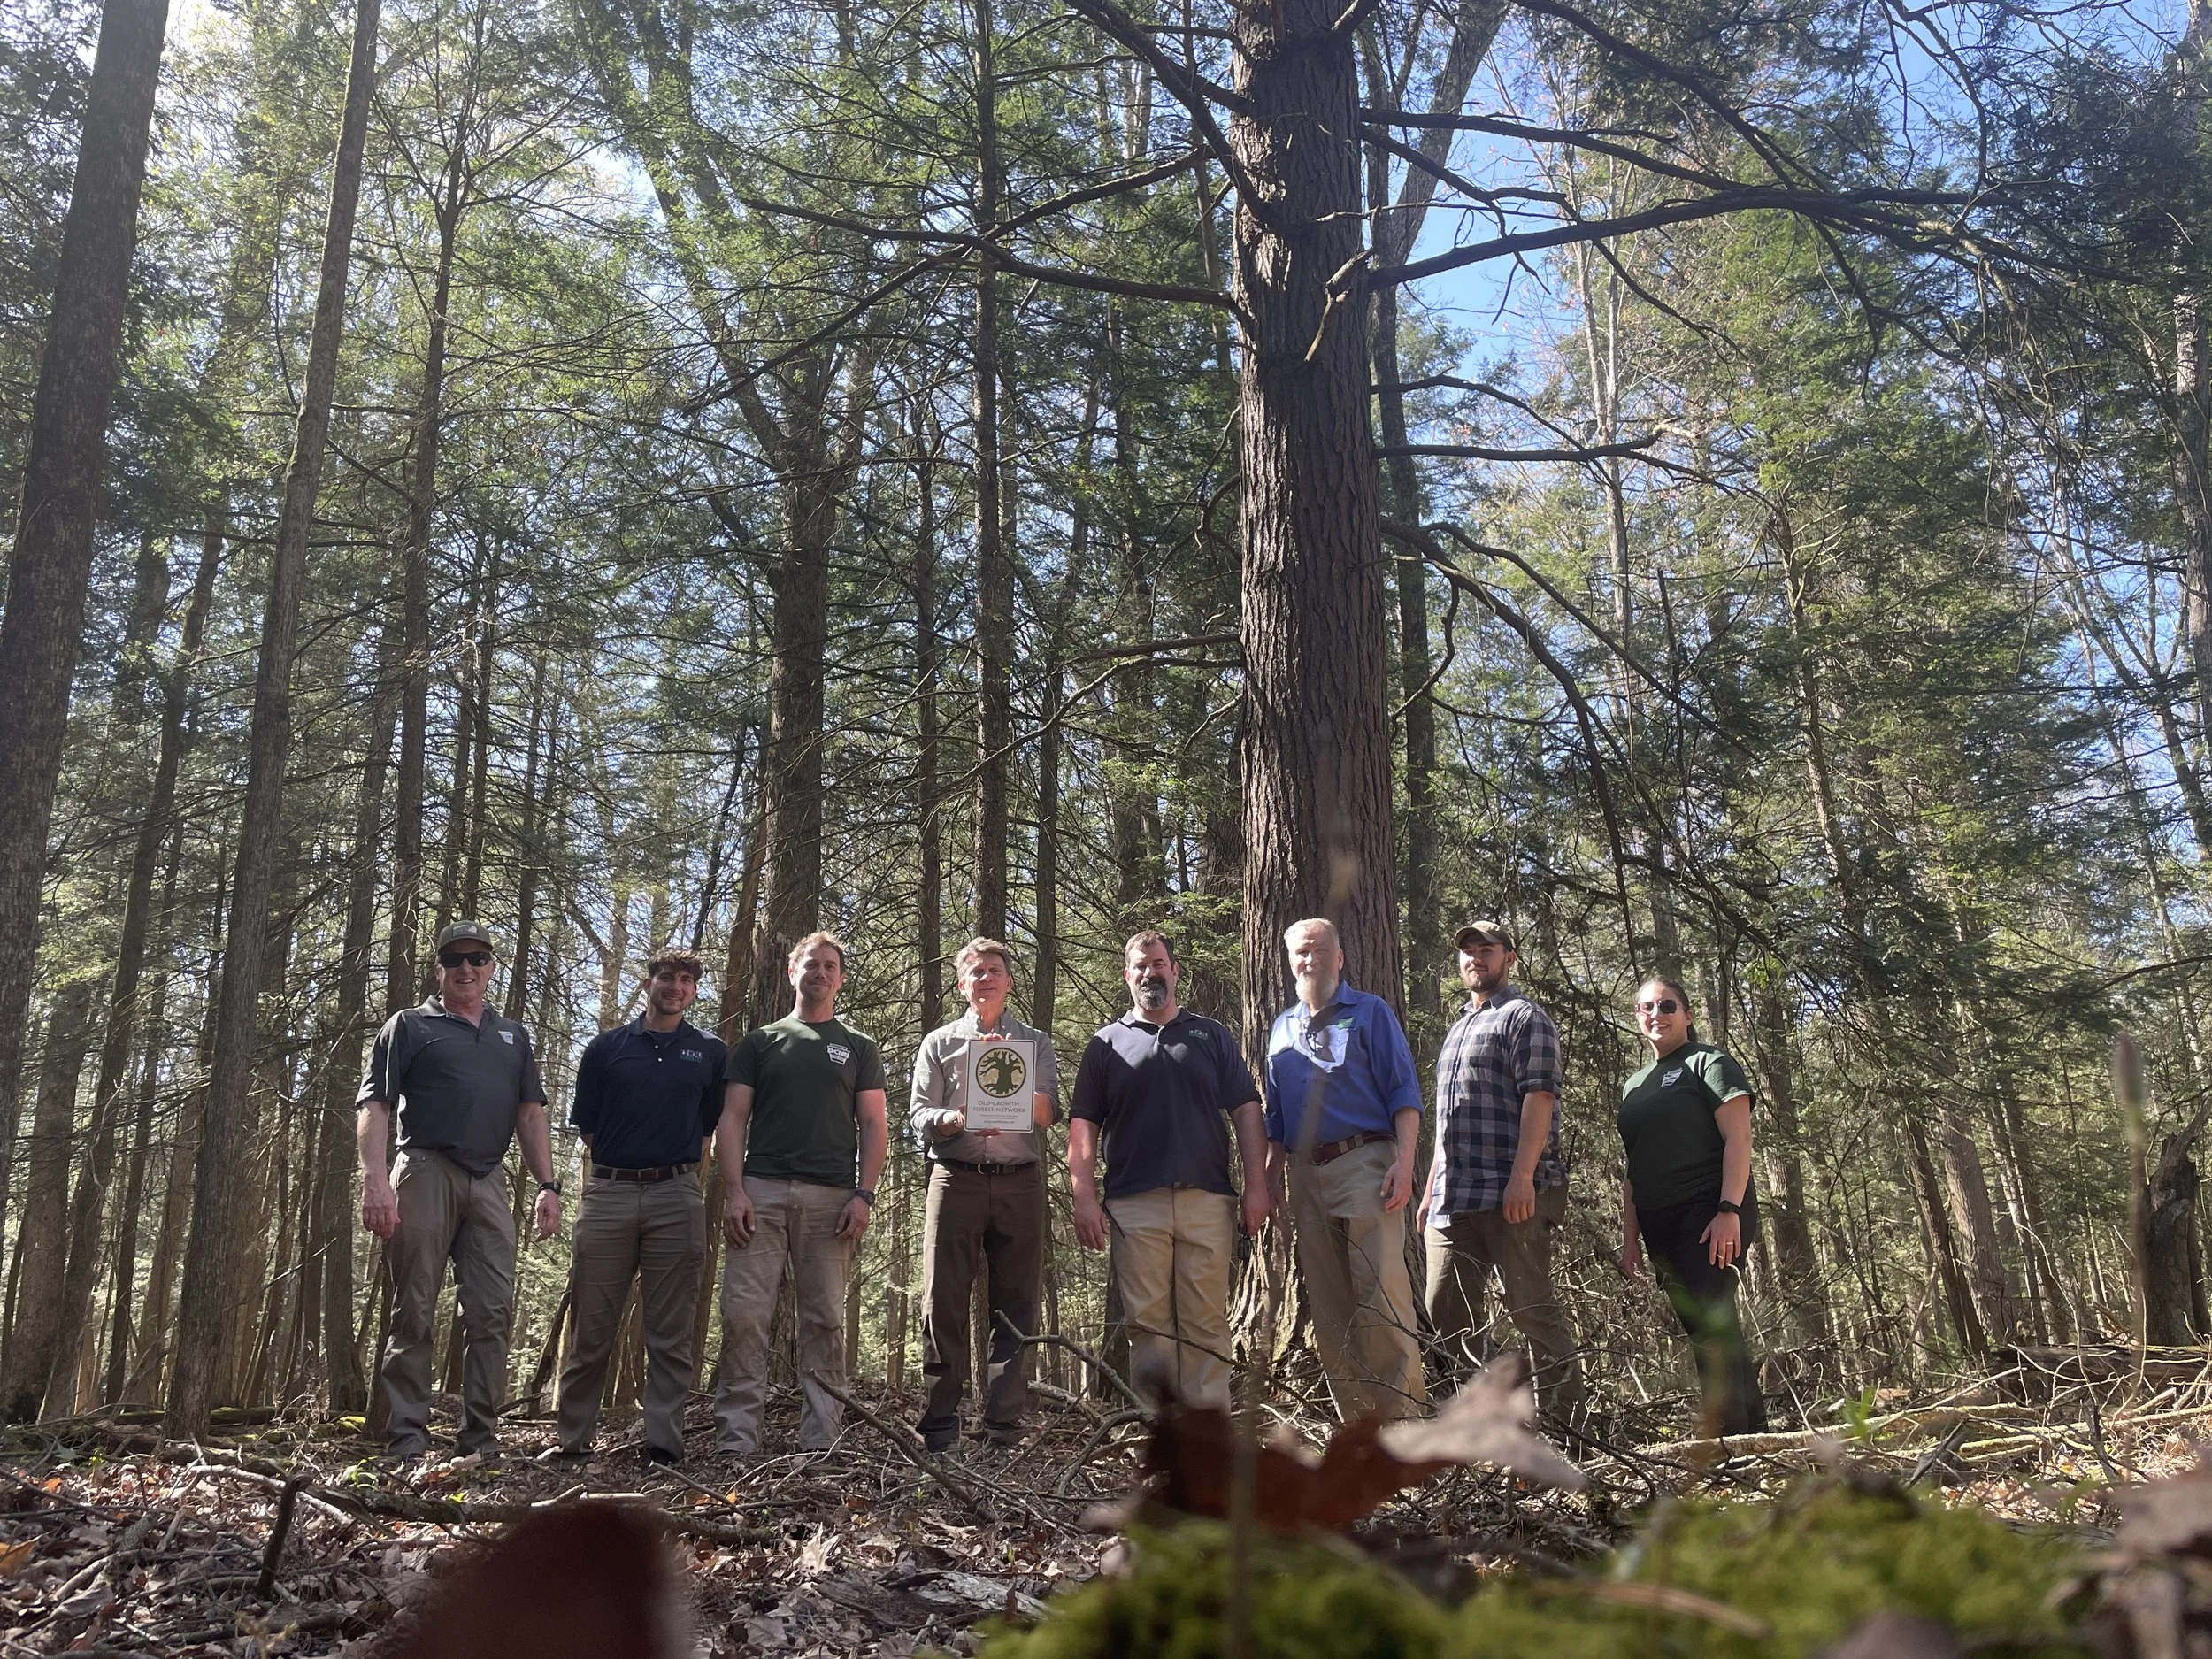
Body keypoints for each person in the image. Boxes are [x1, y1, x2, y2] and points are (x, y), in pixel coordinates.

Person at [358, 921, 561, 1462]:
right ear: (439, 968)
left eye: (477, 958)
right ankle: (407, 1440)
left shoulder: (512, 1036)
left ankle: (481, 1441)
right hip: (424, 1170)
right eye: (454, 959)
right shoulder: (409, 1026)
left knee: (492, 1311)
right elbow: (375, 1104)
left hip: (490, 1180)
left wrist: (548, 1184)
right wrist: (376, 1179)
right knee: (414, 1307)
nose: (466, 968)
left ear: (493, 967)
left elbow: (530, 1113)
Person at [1068, 930, 1271, 1410]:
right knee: (1148, 1326)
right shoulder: (1106, 1044)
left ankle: (1207, 1439)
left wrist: (1257, 1186)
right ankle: (1161, 1440)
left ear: (1174, 971)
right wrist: (1084, 1197)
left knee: (1205, 1323)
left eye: (1158, 964)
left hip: (1208, 1200)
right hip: (1134, 1205)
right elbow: (1083, 1125)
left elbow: (1246, 1110)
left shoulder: (1210, 1035)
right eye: (1139, 966)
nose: (1149, 973)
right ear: (1126, 976)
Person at [713, 932, 889, 1455]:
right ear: (793, 973)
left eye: (831, 965)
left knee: (825, 1320)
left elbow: (875, 1124)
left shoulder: (858, 1047)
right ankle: (736, 1439)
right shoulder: (760, 1042)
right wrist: (734, 1191)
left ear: (840, 978)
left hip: (832, 1199)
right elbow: (732, 1116)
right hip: (760, 1193)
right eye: (812, 964)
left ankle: (821, 1440)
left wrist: (865, 1194)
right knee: (744, 1314)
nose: (821, 972)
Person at [552, 946, 727, 1467]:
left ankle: (663, 1444)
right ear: (648, 983)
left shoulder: (710, 1053)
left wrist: (675, 1175)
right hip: (608, 1193)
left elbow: (709, 1128)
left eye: (686, 981)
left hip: (677, 1195)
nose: (676, 987)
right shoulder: (606, 1049)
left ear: (694, 991)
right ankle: (572, 1440)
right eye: (667, 978)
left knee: (669, 1330)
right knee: (592, 1326)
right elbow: (587, 1124)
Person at [1419, 920, 1586, 1424]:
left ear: (1508, 958)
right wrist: (1430, 1186)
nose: (1475, 958)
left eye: (1486, 950)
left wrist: (1522, 1177)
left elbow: (1540, 1097)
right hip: (1454, 1196)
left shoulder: (1524, 1017)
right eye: (1467, 951)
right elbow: (1449, 1119)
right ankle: (1500, 1422)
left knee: (1531, 1309)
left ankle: (1567, 1431)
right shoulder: (1457, 1028)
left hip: (1514, 1191)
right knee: (1444, 1313)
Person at [1262, 918, 1425, 1421]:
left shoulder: (1370, 1012)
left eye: (1318, 950)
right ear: (1290, 963)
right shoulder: (1281, 1029)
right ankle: (1359, 1436)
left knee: (1381, 1296)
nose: (1309, 960)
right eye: (1300, 953)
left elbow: (1404, 1091)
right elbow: (1276, 1121)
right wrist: (1269, 1186)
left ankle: (1404, 1430)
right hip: (1305, 1176)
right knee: (1331, 1309)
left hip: (1366, 1164)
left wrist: (1405, 1159)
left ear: (1339, 958)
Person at [909, 937, 1060, 1452]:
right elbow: (919, 1115)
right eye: (976, 972)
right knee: (942, 1299)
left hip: (1020, 1179)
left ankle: (1002, 1425)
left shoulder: (1034, 1042)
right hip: (955, 1177)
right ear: (962, 984)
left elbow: (1048, 1113)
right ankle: (940, 1424)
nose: (986, 978)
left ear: (1009, 982)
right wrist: (955, 1118)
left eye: (995, 970)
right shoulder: (939, 1042)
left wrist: (1014, 1099)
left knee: (1016, 1302)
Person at [1618, 973, 1767, 1434]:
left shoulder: (1710, 1062)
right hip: (1659, 1221)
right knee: (1703, 1326)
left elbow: (1739, 1137)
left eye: (1667, 1006)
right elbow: (1633, 1169)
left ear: (1687, 1014)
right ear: (1637, 1018)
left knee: (1711, 1320)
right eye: (1647, 1007)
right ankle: (1754, 1436)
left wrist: (1728, 1211)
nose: (1656, 1015)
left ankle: (1730, 1439)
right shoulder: (1634, 1086)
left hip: (1709, 1211)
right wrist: (1630, 1241)